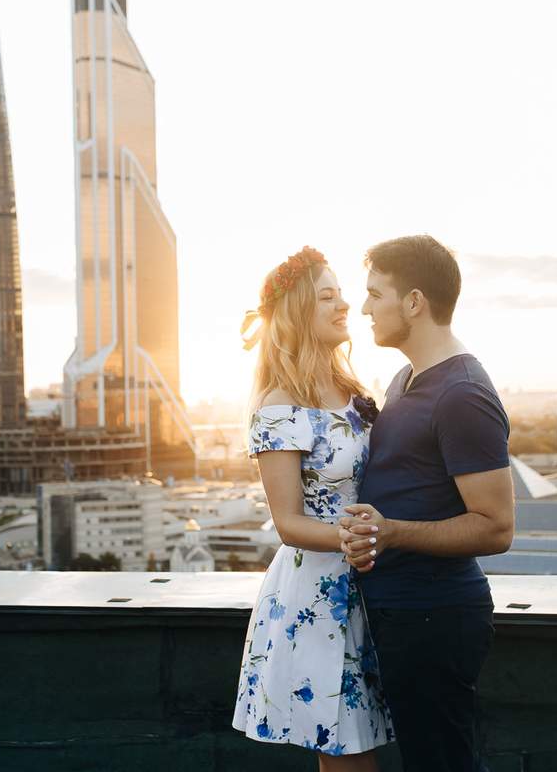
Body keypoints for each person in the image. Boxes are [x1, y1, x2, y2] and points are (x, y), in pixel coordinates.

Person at [339, 234, 515, 772]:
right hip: (403, 612)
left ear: (414, 302)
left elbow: (496, 528)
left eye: (375, 294)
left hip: (434, 617)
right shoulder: (405, 379)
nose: (365, 307)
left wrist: (390, 531)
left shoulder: (462, 393)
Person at [232, 246, 393, 770]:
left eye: (343, 293)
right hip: (322, 598)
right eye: (328, 296)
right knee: (349, 758)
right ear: (299, 311)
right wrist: (351, 538)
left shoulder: (352, 391)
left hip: (375, 584)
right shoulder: (280, 406)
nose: (345, 304)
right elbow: (288, 522)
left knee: (360, 749)